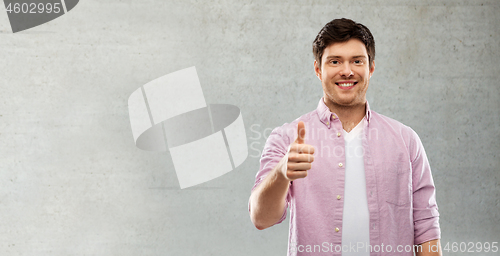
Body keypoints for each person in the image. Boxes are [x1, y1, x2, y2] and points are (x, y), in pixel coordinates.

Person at [248, 18, 442, 256]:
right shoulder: (286, 138)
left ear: (371, 68)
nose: (347, 71)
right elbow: (260, 218)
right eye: (335, 61)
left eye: (357, 61)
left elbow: (426, 228)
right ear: (318, 70)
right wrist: (281, 172)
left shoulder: (406, 140)